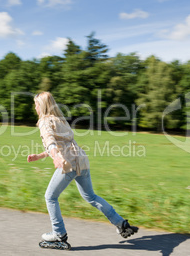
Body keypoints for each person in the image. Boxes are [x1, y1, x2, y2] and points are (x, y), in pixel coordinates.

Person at [27, 92, 137, 243]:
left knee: (50, 197)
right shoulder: (60, 119)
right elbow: (62, 143)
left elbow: (51, 141)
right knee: (91, 197)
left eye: (36, 104)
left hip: (69, 162)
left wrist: (57, 157)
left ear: (42, 106)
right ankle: (121, 223)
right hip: (81, 160)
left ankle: (59, 233)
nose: (35, 107)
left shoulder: (45, 121)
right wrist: (40, 156)